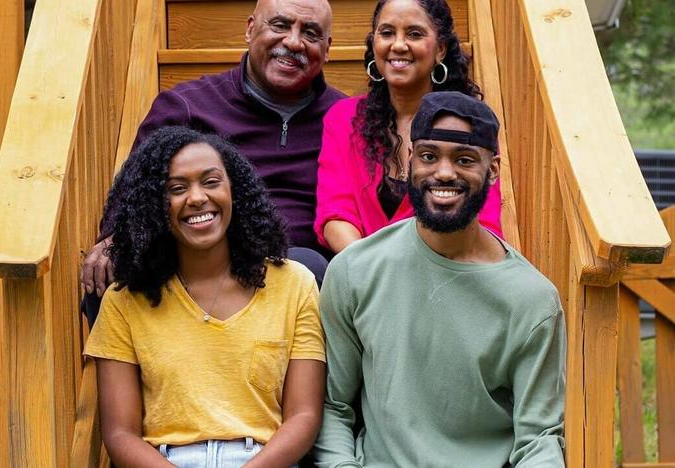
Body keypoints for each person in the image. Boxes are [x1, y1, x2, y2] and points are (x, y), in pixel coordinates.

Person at [314, 92, 566, 467]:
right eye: (429, 156)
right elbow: (333, 406)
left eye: (464, 160)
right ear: (411, 160)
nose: (444, 173)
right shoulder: (356, 270)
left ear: (493, 170)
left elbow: (539, 440)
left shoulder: (532, 301)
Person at [81, 0, 345, 321]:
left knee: (310, 268)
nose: (293, 41)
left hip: (296, 274)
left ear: (328, 48)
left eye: (311, 33)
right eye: (279, 25)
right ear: (250, 29)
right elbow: (136, 192)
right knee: (113, 272)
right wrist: (112, 238)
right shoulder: (187, 106)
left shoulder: (345, 119)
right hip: (196, 258)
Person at [84, 126, 326, 467]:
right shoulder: (125, 301)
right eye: (177, 188)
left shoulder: (294, 284)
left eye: (211, 182)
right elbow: (120, 434)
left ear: (235, 191)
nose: (197, 198)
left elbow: (304, 416)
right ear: (155, 206)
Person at [314, 0, 502, 253]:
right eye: (387, 33)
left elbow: (484, 223)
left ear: (440, 49)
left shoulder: (468, 123)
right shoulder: (344, 118)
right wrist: (374, 272)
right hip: (362, 271)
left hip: (446, 273)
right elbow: (336, 214)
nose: (398, 45)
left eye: (414, 34)